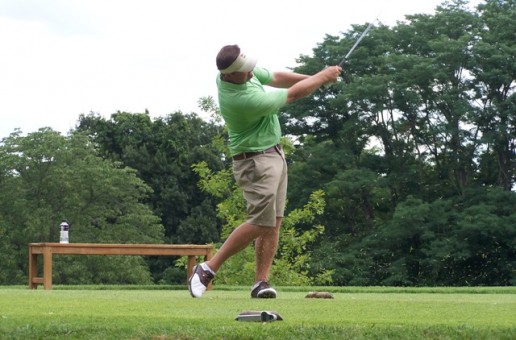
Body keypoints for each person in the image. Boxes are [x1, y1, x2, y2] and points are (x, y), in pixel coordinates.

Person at [188, 44, 342, 298]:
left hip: (274, 154)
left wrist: (317, 80)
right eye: (245, 71)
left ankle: (261, 282)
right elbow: (292, 95)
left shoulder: (237, 72)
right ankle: (207, 268)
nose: (251, 73)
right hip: (254, 161)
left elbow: (277, 78)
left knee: (273, 224)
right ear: (229, 75)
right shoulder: (242, 99)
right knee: (261, 222)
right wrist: (321, 77)